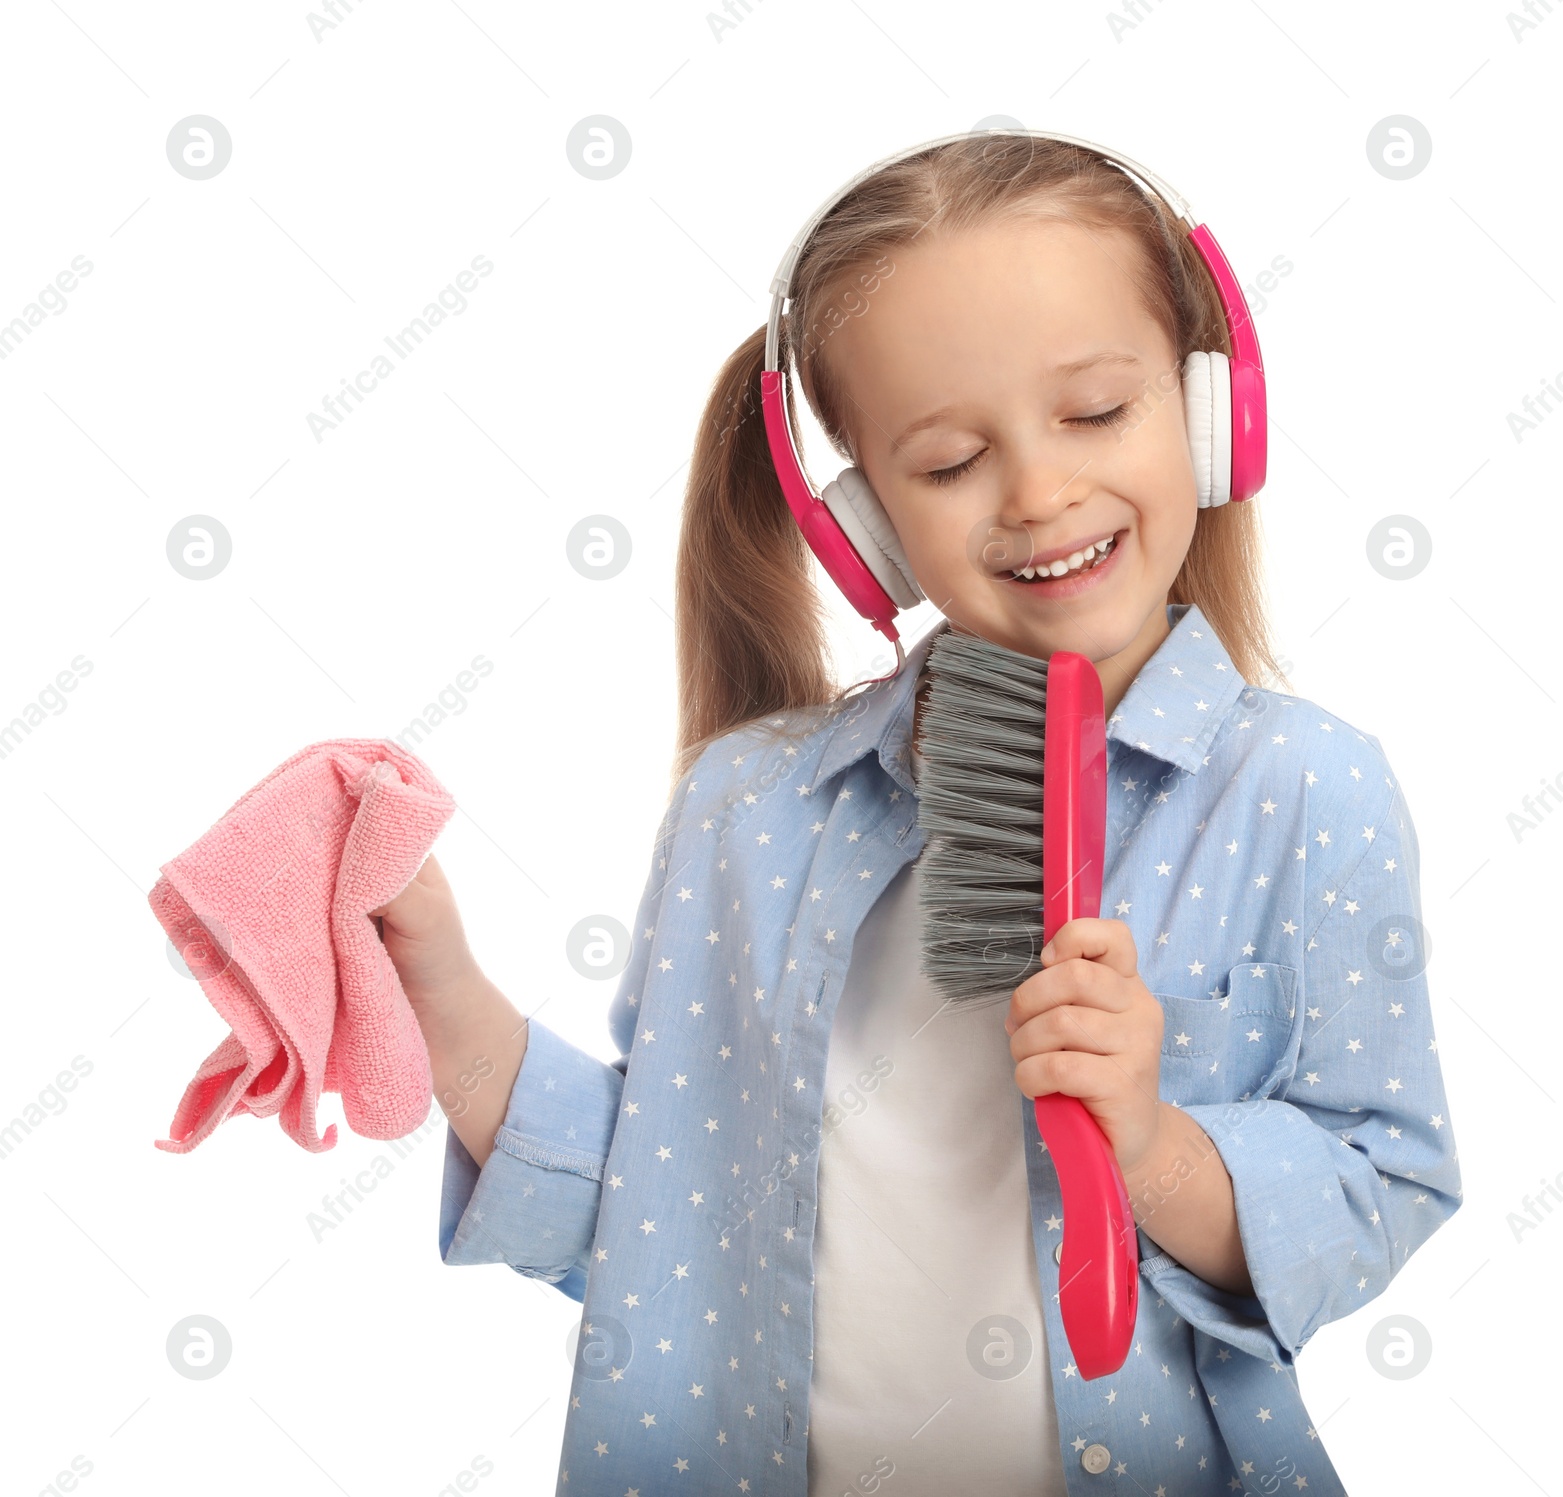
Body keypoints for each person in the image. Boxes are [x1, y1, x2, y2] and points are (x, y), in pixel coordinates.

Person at [372, 133, 1463, 1496]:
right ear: (863, 527)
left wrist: (1154, 1144)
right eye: (949, 462)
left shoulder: (1308, 787)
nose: (1040, 491)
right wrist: (434, 979)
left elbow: (1388, 1177)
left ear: (1208, 409)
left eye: (1096, 412)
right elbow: (657, 1219)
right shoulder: (751, 808)